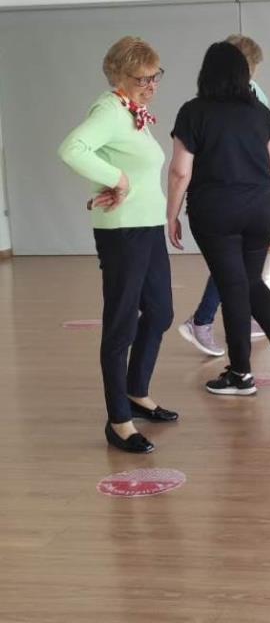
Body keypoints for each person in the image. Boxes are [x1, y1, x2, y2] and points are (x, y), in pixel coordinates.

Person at [58, 36, 178, 454]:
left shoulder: (132, 112)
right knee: (121, 324)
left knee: (160, 312)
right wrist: (117, 179)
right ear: (119, 77)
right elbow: (72, 148)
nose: (152, 84)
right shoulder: (109, 110)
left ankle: (136, 391)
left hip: (147, 227)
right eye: (143, 78)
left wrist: (120, 177)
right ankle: (118, 421)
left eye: (155, 76)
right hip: (122, 231)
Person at [166, 42, 270, 395]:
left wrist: (172, 214)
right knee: (249, 281)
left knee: (233, 286)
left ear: (205, 73)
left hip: (215, 209)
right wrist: (255, 195)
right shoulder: (260, 113)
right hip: (259, 207)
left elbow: (181, 172)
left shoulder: (193, 112)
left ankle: (241, 374)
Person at [178, 34, 269, 356]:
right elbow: (183, 167)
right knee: (234, 271)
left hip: (246, 198)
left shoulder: (254, 98)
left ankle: (232, 320)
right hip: (227, 198)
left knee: (238, 270)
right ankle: (204, 322)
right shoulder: (206, 107)